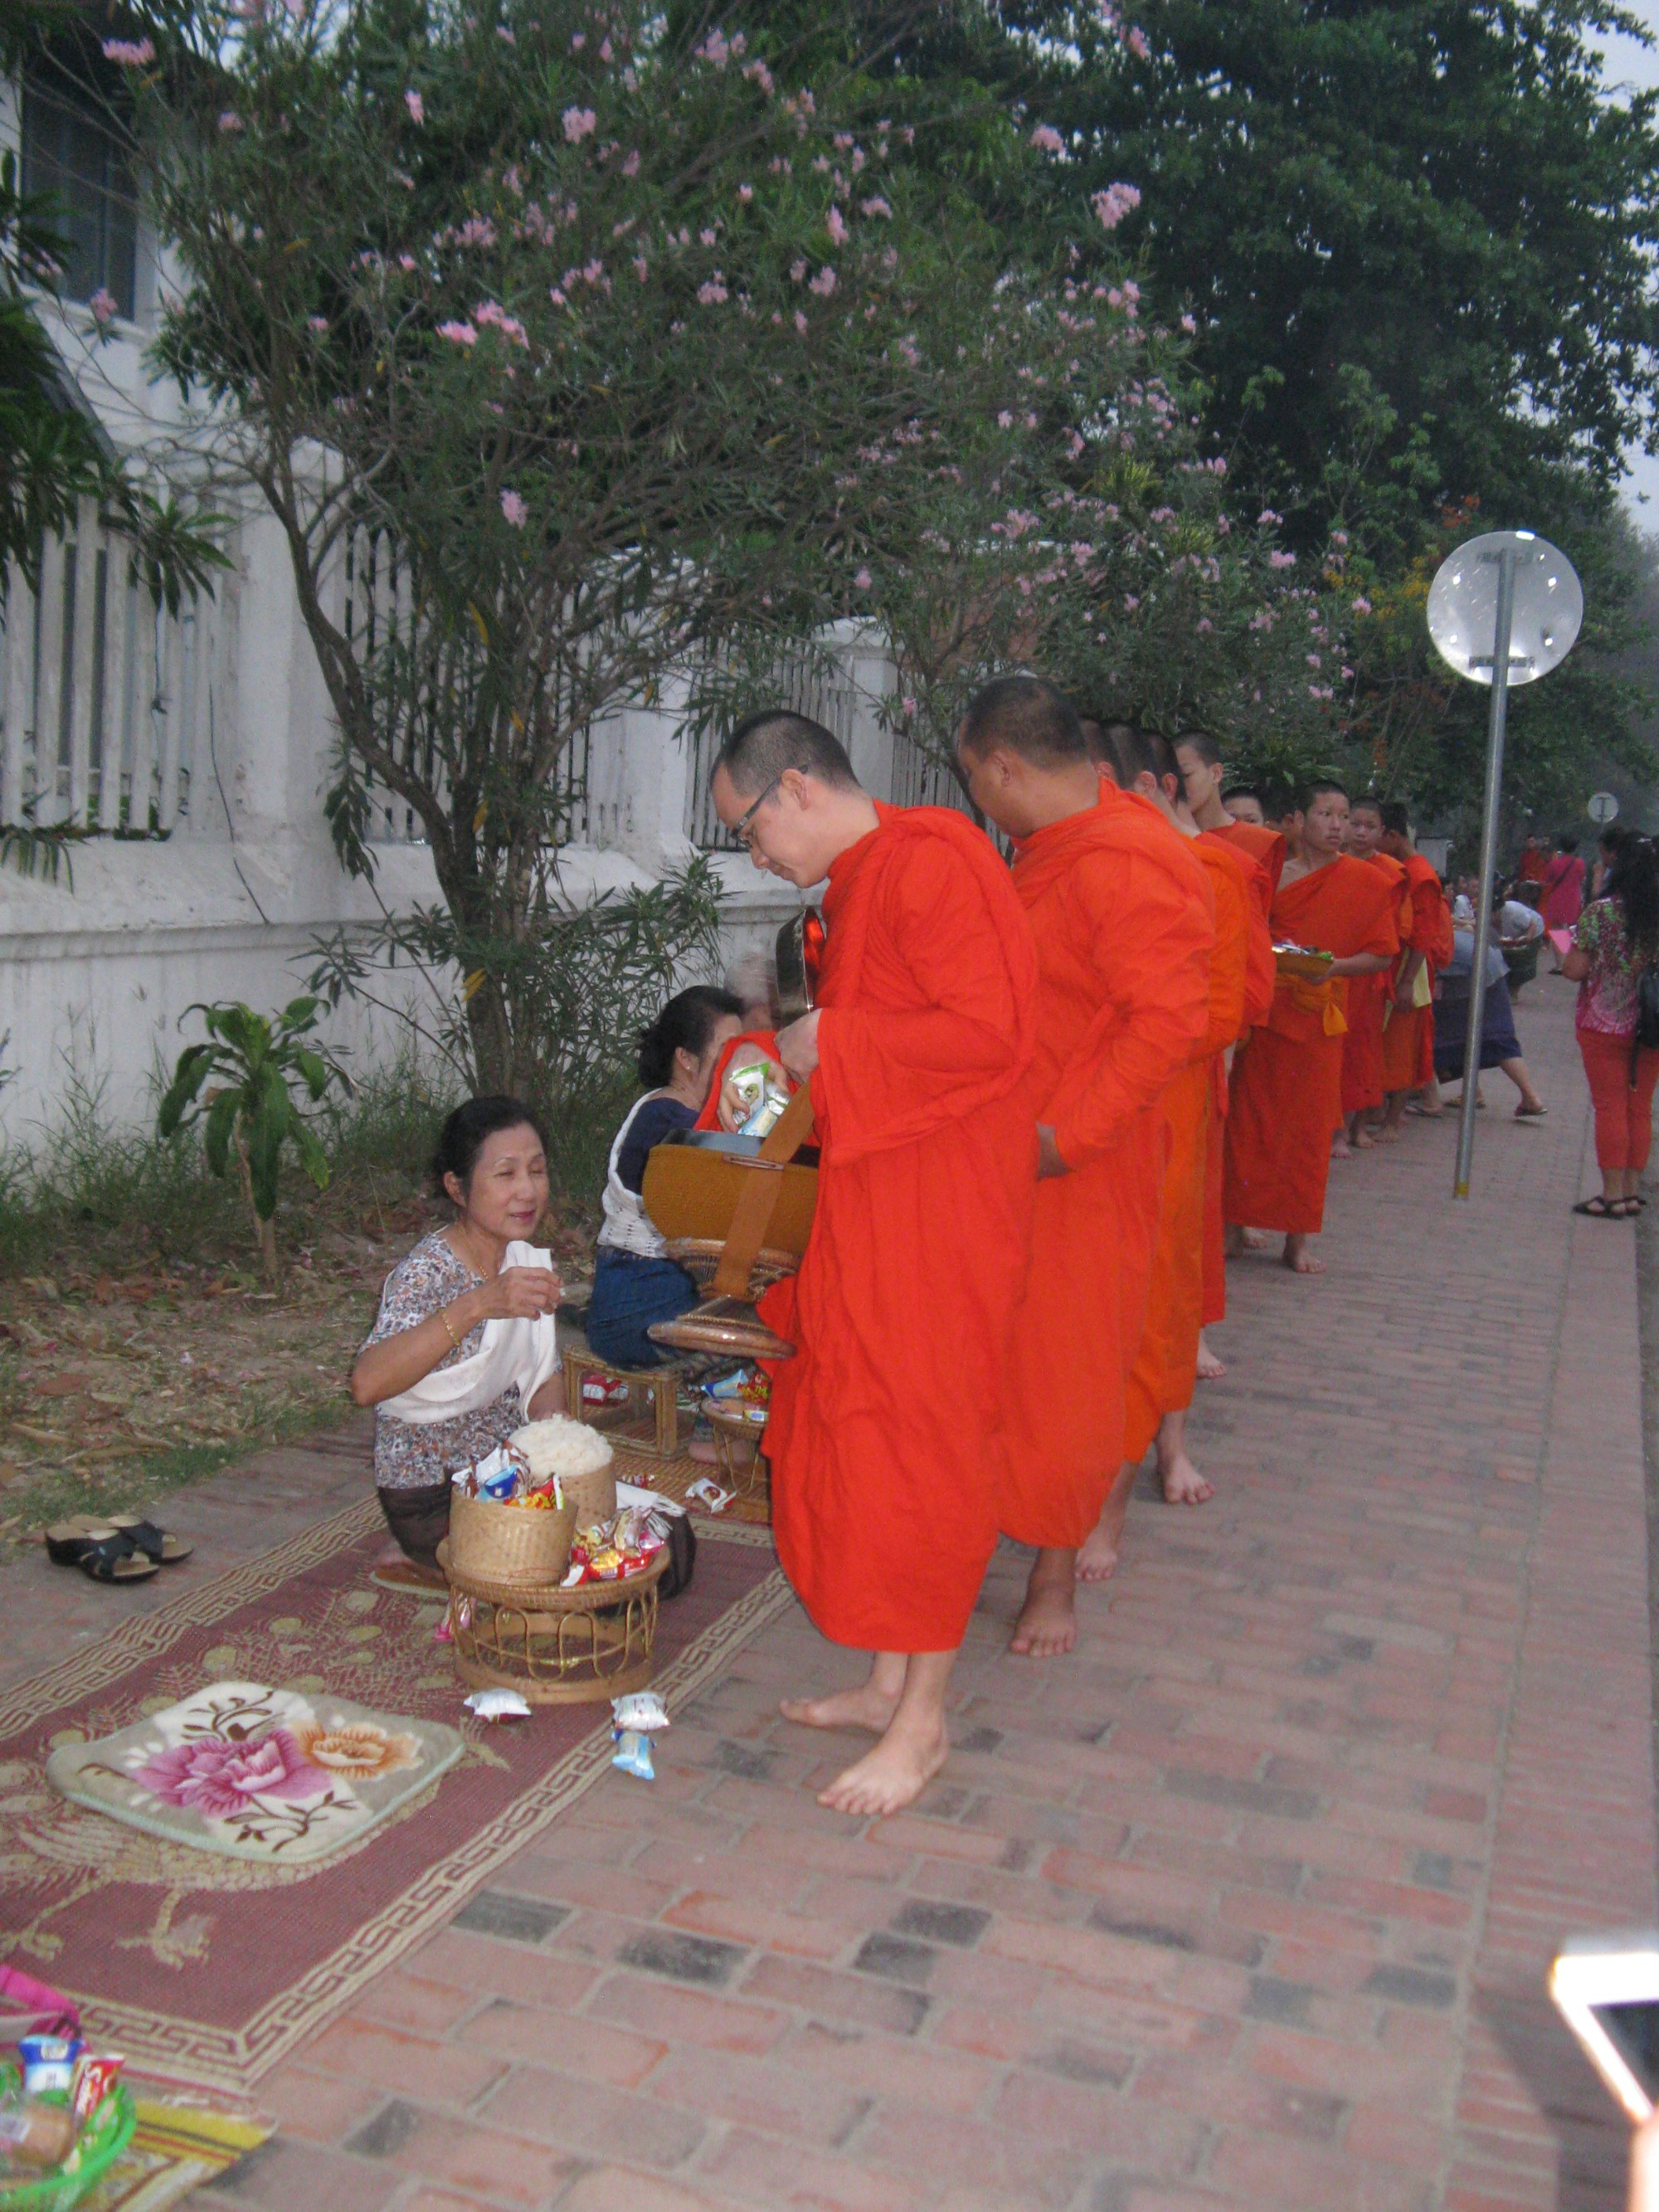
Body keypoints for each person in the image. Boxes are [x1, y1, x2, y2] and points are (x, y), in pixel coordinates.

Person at [710, 707, 1037, 1816]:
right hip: (879, 1199)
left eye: (749, 831)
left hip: (941, 1214)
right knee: (862, 1420)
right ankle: (888, 1677)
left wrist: (831, 1042)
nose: (756, 858)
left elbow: (987, 1033)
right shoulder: (866, 880)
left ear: (796, 786)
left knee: (927, 1443)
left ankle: (924, 1721)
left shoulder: (935, 860)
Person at [959, 687, 1211, 1652]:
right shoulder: (1052, 850)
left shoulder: (1133, 857)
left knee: (1065, 1374)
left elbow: (1166, 1027)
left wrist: (1064, 1139)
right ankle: (978, 1527)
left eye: (975, 779)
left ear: (1003, 767)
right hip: (1001, 1150)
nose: (980, 801)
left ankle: (1053, 1572)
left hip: (1082, 1164)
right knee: (990, 1360)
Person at [1104, 725, 1249, 1557]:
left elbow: (1220, 1012)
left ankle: (1166, 1445)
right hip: (1097, 1107)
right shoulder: (1095, 858)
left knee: (1163, 1281)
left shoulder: (1214, 870)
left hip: (1171, 1101)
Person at [351, 1099, 566, 1584]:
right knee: (559, 1562)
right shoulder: (426, 1273)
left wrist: (564, 1456)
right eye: (506, 1174)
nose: (527, 1191)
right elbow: (366, 1383)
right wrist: (477, 1305)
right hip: (433, 1496)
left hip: (508, 1476)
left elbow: (543, 1376)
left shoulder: (525, 1258)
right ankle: (431, 1554)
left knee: (663, 1540)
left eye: (537, 1171)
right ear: (458, 1188)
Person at [1223, 782, 1400, 1273]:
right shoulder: (1273, 875)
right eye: (1326, 814)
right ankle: (1235, 1226)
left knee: (1308, 1135)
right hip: (1264, 1018)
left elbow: (1383, 953)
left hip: (1319, 1021)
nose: (1338, 825)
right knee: (1249, 1127)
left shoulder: (1365, 883)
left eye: (1343, 816)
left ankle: (1296, 1241)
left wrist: (1336, 967)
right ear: (1297, 820)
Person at [586, 986, 745, 1367]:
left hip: (657, 1295)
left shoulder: (682, 1112)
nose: (742, 1061)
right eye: (731, 1050)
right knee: (772, 1328)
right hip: (638, 1310)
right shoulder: (670, 1120)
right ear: (686, 1059)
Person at [1562, 836, 1659, 1219]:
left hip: (1601, 1025)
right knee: (1640, 1106)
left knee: (1610, 1107)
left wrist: (1560, 949)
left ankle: (1612, 1195)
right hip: (1652, 1028)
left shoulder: (1600, 913)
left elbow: (1574, 970)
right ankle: (1633, 1193)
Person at [1375, 801, 1455, 1140]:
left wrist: (1407, 981)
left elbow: (1423, 935)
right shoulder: (1400, 866)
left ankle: (1393, 1121)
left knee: (1402, 1047)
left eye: (1375, 832)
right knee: (1385, 1045)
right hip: (1393, 964)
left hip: (1410, 969)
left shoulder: (1419, 874)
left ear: (1391, 835)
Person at [1340, 798, 1411, 1152]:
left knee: (1362, 1052)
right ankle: (1335, 1131)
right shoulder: (1329, 865)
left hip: (1369, 974)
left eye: (1369, 827)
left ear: (1382, 832)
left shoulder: (1392, 873)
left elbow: (1400, 931)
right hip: (1333, 968)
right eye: (1355, 823)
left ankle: (1355, 1128)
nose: (1361, 832)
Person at [1433, 918, 1547, 1118]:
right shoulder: (1439, 919)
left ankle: (1433, 1094)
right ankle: (1526, 1096)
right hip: (1489, 967)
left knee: (1446, 1031)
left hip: (1469, 970)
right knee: (1491, 1035)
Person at [1540, 835, 1587, 946]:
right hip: (1574, 899)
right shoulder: (1579, 863)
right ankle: (1569, 953)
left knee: (1558, 930)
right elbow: (1582, 879)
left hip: (1557, 899)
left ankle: (1561, 959)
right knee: (1572, 928)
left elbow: (1547, 880)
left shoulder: (1554, 863)